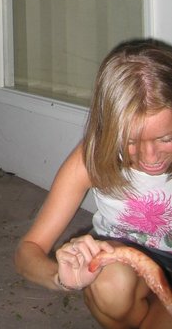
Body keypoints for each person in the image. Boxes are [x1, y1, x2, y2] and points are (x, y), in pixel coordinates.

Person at [15, 40, 172, 329]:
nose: (150, 158)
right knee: (109, 283)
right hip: (118, 264)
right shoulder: (92, 156)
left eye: (165, 138)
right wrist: (62, 277)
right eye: (131, 141)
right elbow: (29, 250)